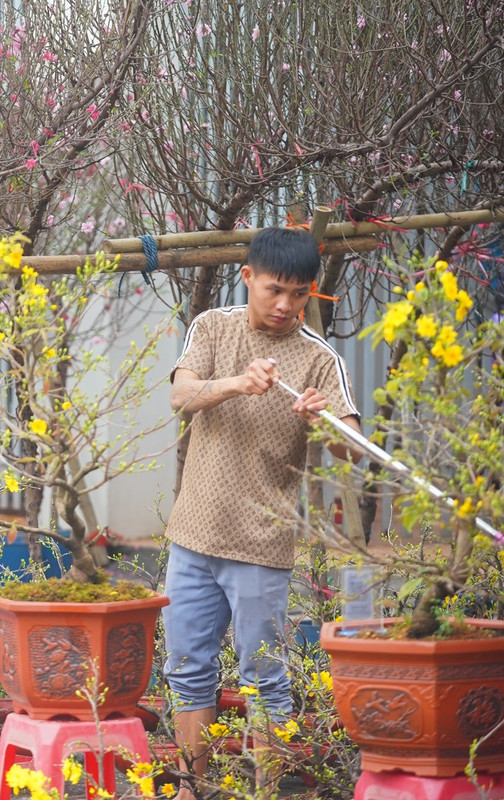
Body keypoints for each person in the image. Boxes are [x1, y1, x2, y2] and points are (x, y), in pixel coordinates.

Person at [163, 227, 361, 799]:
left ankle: (266, 792)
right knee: (187, 670)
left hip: (261, 546)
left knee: (265, 679)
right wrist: (236, 383)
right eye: (275, 290)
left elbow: (354, 447)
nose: (286, 306)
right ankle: (189, 789)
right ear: (247, 277)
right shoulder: (214, 328)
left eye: (300, 295)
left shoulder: (319, 361)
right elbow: (181, 394)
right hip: (192, 537)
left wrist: (322, 422)